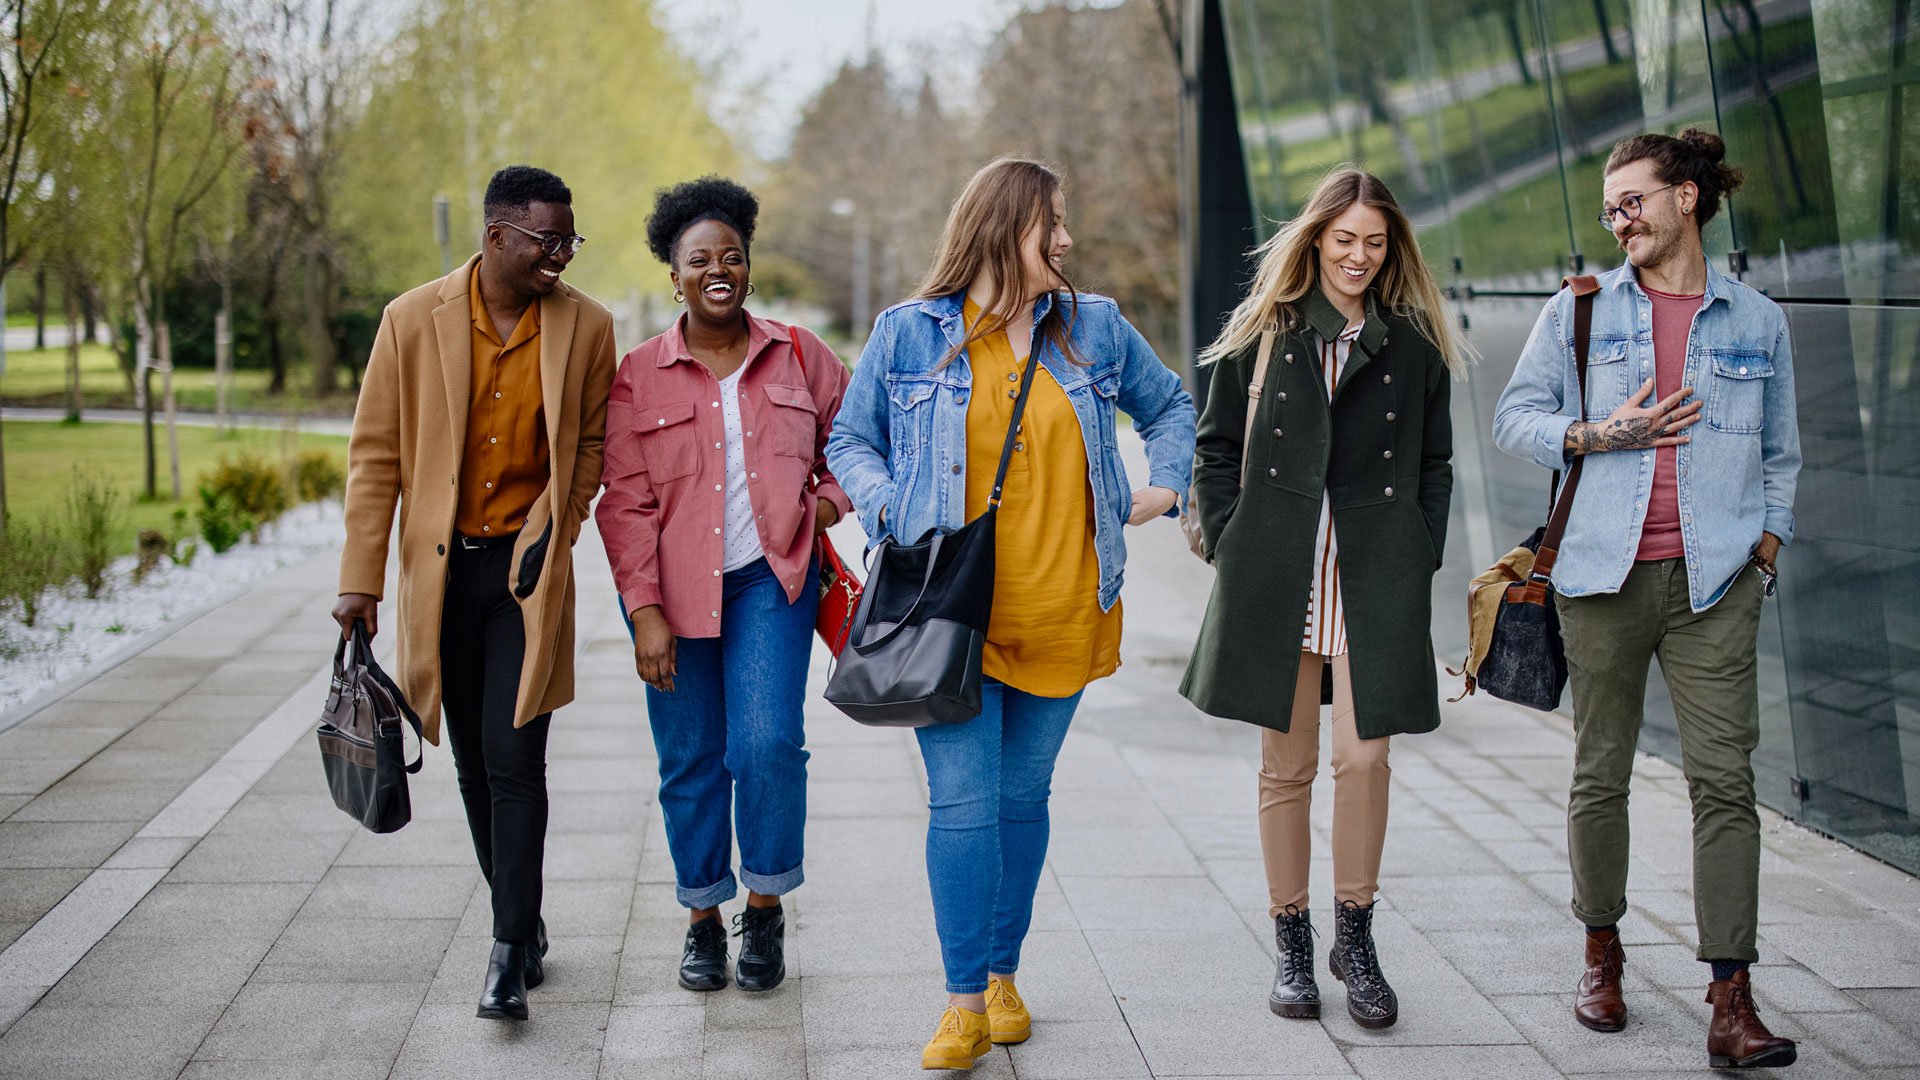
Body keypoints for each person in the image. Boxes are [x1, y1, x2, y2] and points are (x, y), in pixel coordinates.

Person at [826, 156, 1196, 1071]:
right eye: (1051, 223)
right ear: (1001, 230)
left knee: (1022, 799)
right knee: (963, 803)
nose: (1066, 239)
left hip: (1069, 605)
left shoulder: (1095, 329)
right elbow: (850, 439)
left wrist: (1163, 490)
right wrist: (889, 513)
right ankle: (961, 1002)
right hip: (950, 615)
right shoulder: (909, 334)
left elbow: (1173, 406)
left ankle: (1001, 972)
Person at [1493, 129, 1800, 1070]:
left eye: (1633, 201)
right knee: (1601, 774)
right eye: (1609, 207)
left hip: (1715, 585)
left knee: (1727, 784)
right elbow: (1516, 420)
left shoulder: (1756, 321)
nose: (1618, 219)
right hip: (1600, 579)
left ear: (1687, 200)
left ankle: (1730, 997)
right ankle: (1601, 950)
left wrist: (1768, 543)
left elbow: (1782, 453)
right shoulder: (1579, 312)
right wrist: (1599, 432)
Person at [1181, 167, 1466, 1030]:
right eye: (1343, 239)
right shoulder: (1266, 332)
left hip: (1373, 576)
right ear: (1315, 240)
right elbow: (1215, 446)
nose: (1358, 256)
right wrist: (1232, 537)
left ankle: (1357, 936)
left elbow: (1435, 464)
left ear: (1391, 250)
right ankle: (1293, 942)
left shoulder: (1412, 343)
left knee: (1366, 760)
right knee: (1287, 768)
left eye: (1374, 243)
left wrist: (1419, 549)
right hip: (1281, 576)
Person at [334, 165, 615, 1022]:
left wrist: (556, 535)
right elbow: (376, 456)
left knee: (514, 756)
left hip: (524, 580)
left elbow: (592, 447)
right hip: (441, 576)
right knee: (467, 762)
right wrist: (360, 581)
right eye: (546, 240)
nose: (560, 256)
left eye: (569, 241)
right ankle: (521, 920)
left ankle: (503, 956)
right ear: (496, 237)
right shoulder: (410, 319)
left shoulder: (588, 327)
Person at [596, 176, 850, 995]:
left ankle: (765, 906)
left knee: (767, 743)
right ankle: (704, 917)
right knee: (691, 758)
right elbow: (625, 502)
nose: (717, 269)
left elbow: (856, 444)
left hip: (772, 583)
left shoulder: (800, 354)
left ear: (747, 265)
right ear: (673, 274)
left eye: (730, 256)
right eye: (697, 258)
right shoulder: (638, 375)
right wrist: (643, 612)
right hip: (673, 596)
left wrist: (828, 504)